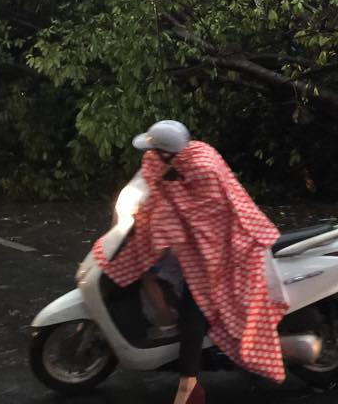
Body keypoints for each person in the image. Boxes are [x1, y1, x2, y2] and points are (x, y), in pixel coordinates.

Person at [93, 120, 289, 404]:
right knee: (144, 260)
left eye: (155, 150)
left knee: (193, 305)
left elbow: (205, 215)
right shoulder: (171, 156)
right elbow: (154, 180)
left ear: (168, 152)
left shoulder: (204, 168)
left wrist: (163, 219)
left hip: (227, 244)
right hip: (193, 242)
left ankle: (189, 384)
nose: (150, 154)